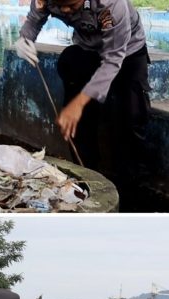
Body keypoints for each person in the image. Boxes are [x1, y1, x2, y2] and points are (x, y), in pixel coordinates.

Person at [15, 0, 150, 175]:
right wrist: (25, 39)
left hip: (126, 53)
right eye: (59, 4)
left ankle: (127, 189)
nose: (64, 10)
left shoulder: (112, 4)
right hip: (88, 49)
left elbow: (113, 60)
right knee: (78, 118)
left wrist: (78, 104)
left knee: (130, 120)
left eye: (71, 5)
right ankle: (87, 174)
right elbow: (34, 20)